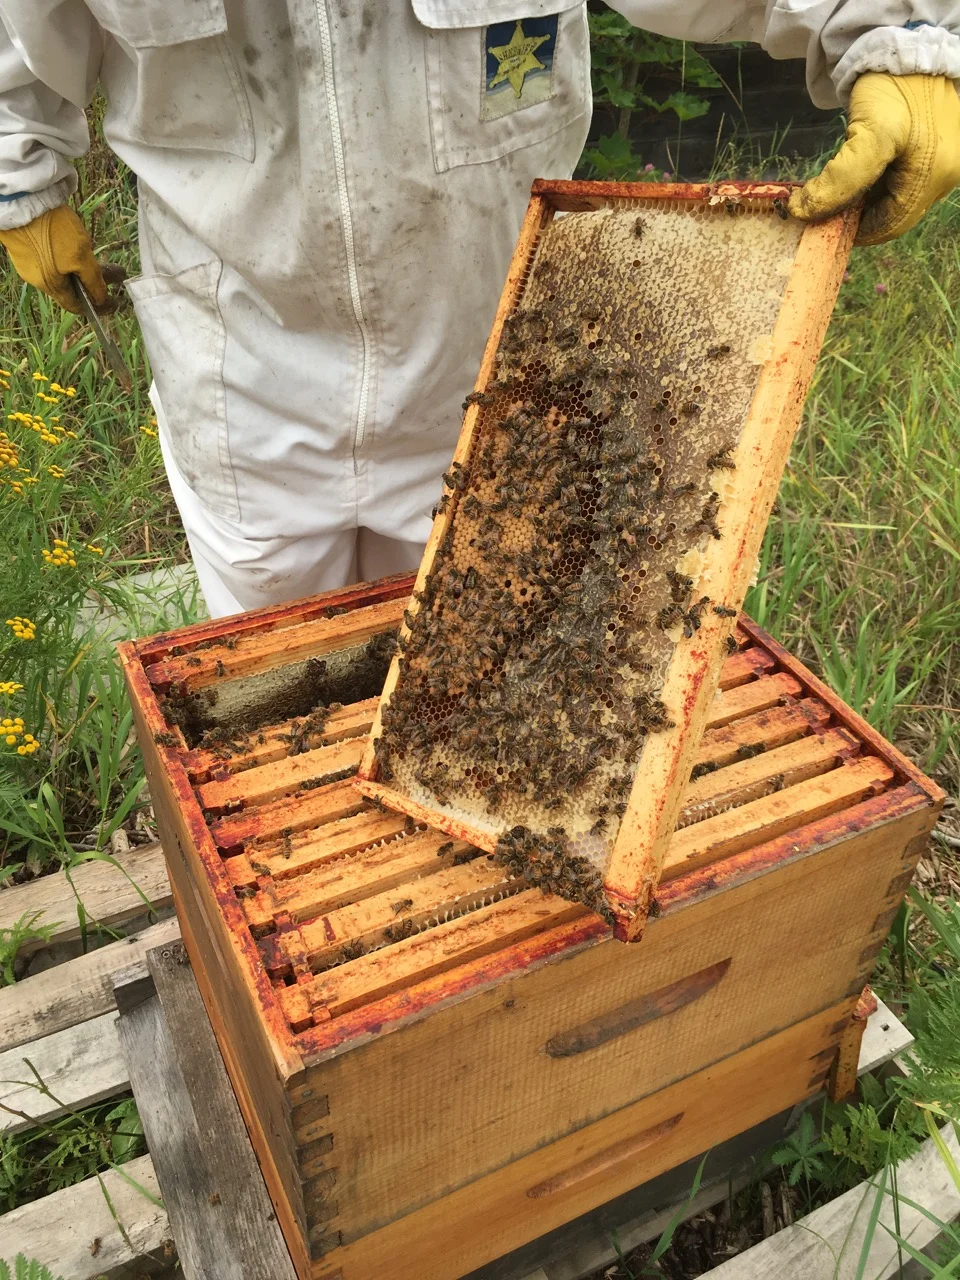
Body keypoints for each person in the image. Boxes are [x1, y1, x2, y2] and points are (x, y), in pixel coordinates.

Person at [0, 3, 957, 618]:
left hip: (491, 364)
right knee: (272, 684)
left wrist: (893, 29)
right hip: (244, 369)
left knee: (487, 664)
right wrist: (18, 173)